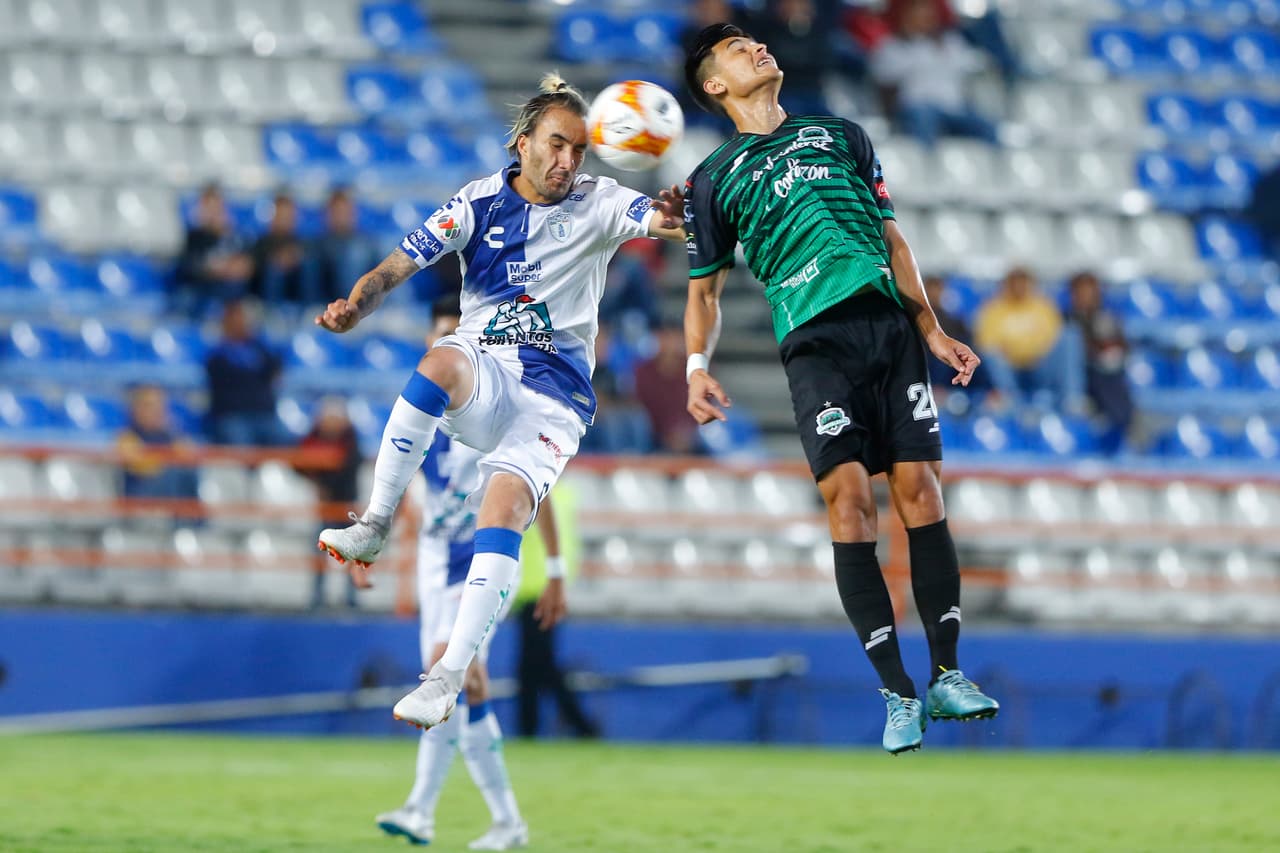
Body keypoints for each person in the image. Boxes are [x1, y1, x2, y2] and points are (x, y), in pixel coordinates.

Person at [313, 73, 685, 730]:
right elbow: (397, 266)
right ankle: (372, 526)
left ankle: (446, 677)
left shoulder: (599, 201)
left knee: (505, 506)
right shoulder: (476, 203)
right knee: (439, 360)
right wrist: (356, 306)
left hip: (555, 397)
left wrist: (679, 214)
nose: (567, 161)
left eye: (578, 149)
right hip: (486, 369)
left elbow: (657, 219)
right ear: (523, 143)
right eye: (556, 145)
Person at [673, 23, 998, 754]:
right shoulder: (711, 181)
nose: (757, 48)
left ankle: (948, 672)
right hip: (814, 345)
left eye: (756, 41)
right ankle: (895, 689)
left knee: (922, 492)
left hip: (887, 327)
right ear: (713, 85)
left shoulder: (841, 134)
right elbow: (704, 291)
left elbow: (892, 238)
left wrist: (933, 328)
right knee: (850, 504)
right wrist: (696, 367)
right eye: (736, 50)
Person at [376, 299, 567, 851]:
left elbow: (537, 490)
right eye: (438, 336)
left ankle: (421, 809)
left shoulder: (496, 409)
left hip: (479, 561)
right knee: (462, 686)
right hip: (435, 564)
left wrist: (554, 569)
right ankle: (502, 821)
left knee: (446, 668)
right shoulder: (420, 413)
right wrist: (377, 558)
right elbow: (412, 501)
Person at [513, 483, 599, 739]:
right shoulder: (566, 497)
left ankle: (579, 725)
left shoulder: (532, 493)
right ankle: (533, 727)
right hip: (548, 587)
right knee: (534, 664)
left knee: (538, 664)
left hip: (533, 590)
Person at [870, 0, 1000, 148]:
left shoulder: (951, 42)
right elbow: (885, 81)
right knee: (923, 118)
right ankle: (924, 166)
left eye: (928, 12)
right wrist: (914, 44)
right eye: (917, 13)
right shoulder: (892, 46)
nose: (924, 17)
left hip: (953, 108)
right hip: (918, 107)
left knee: (987, 127)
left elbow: (974, 63)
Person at [974, 266, 1084, 411]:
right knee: (992, 353)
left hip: (1039, 365)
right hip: (1009, 368)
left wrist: (1033, 352)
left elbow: (1052, 338)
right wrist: (1015, 352)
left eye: (1023, 282)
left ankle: (1072, 399)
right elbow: (986, 342)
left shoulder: (1043, 306)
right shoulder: (993, 309)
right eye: (1015, 282)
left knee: (1070, 336)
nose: (1019, 287)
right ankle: (1008, 398)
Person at [294, 396, 363, 608]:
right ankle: (317, 596)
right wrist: (315, 477)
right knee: (320, 551)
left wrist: (323, 478)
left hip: (346, 506)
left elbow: (348, 467)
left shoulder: (350, 439)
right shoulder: (314, 437)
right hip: (324, 508)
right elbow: (297, 461)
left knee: (352, 553)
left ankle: (351, 598)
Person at [204, 299, 290, 446]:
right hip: (233, 416)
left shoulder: (259, 347)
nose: (242, 322)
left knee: (286, 440)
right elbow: (226, 379)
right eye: (236, 318)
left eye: (243, 318)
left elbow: (276, 368)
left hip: (264, 414)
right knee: (240, 440)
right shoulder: (218, 352)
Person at [1066, 271, 1133, 454]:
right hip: (1078, 375)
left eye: (1090, 291)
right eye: (1081, 292)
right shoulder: (1065, 319)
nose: (1086, 297)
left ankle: (1120, 430)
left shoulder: (1107, 318)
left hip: (1105, 374)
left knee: (1113, 379)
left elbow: (1122, 346)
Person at [174, 183, 252, 316]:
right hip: (200, 288)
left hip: (228, 287)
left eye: (217, 206)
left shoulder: (232, 235)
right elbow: (187, 267)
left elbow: (244, 263)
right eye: (209, 206)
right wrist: (212, 269)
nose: (213, 211)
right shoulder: (194, 235)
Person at [117, 384, 199, 503]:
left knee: (186, 472)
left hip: (168, 489)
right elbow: (142, 468)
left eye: (160, 406)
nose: (156, 411)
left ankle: (193, 517)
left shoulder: (168, 435)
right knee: (174, 473)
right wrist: (168, 460)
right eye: (149, 406)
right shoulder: (127, 436)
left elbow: (189, 456)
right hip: (140, 494)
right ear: (135, 409)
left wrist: (174, 432)